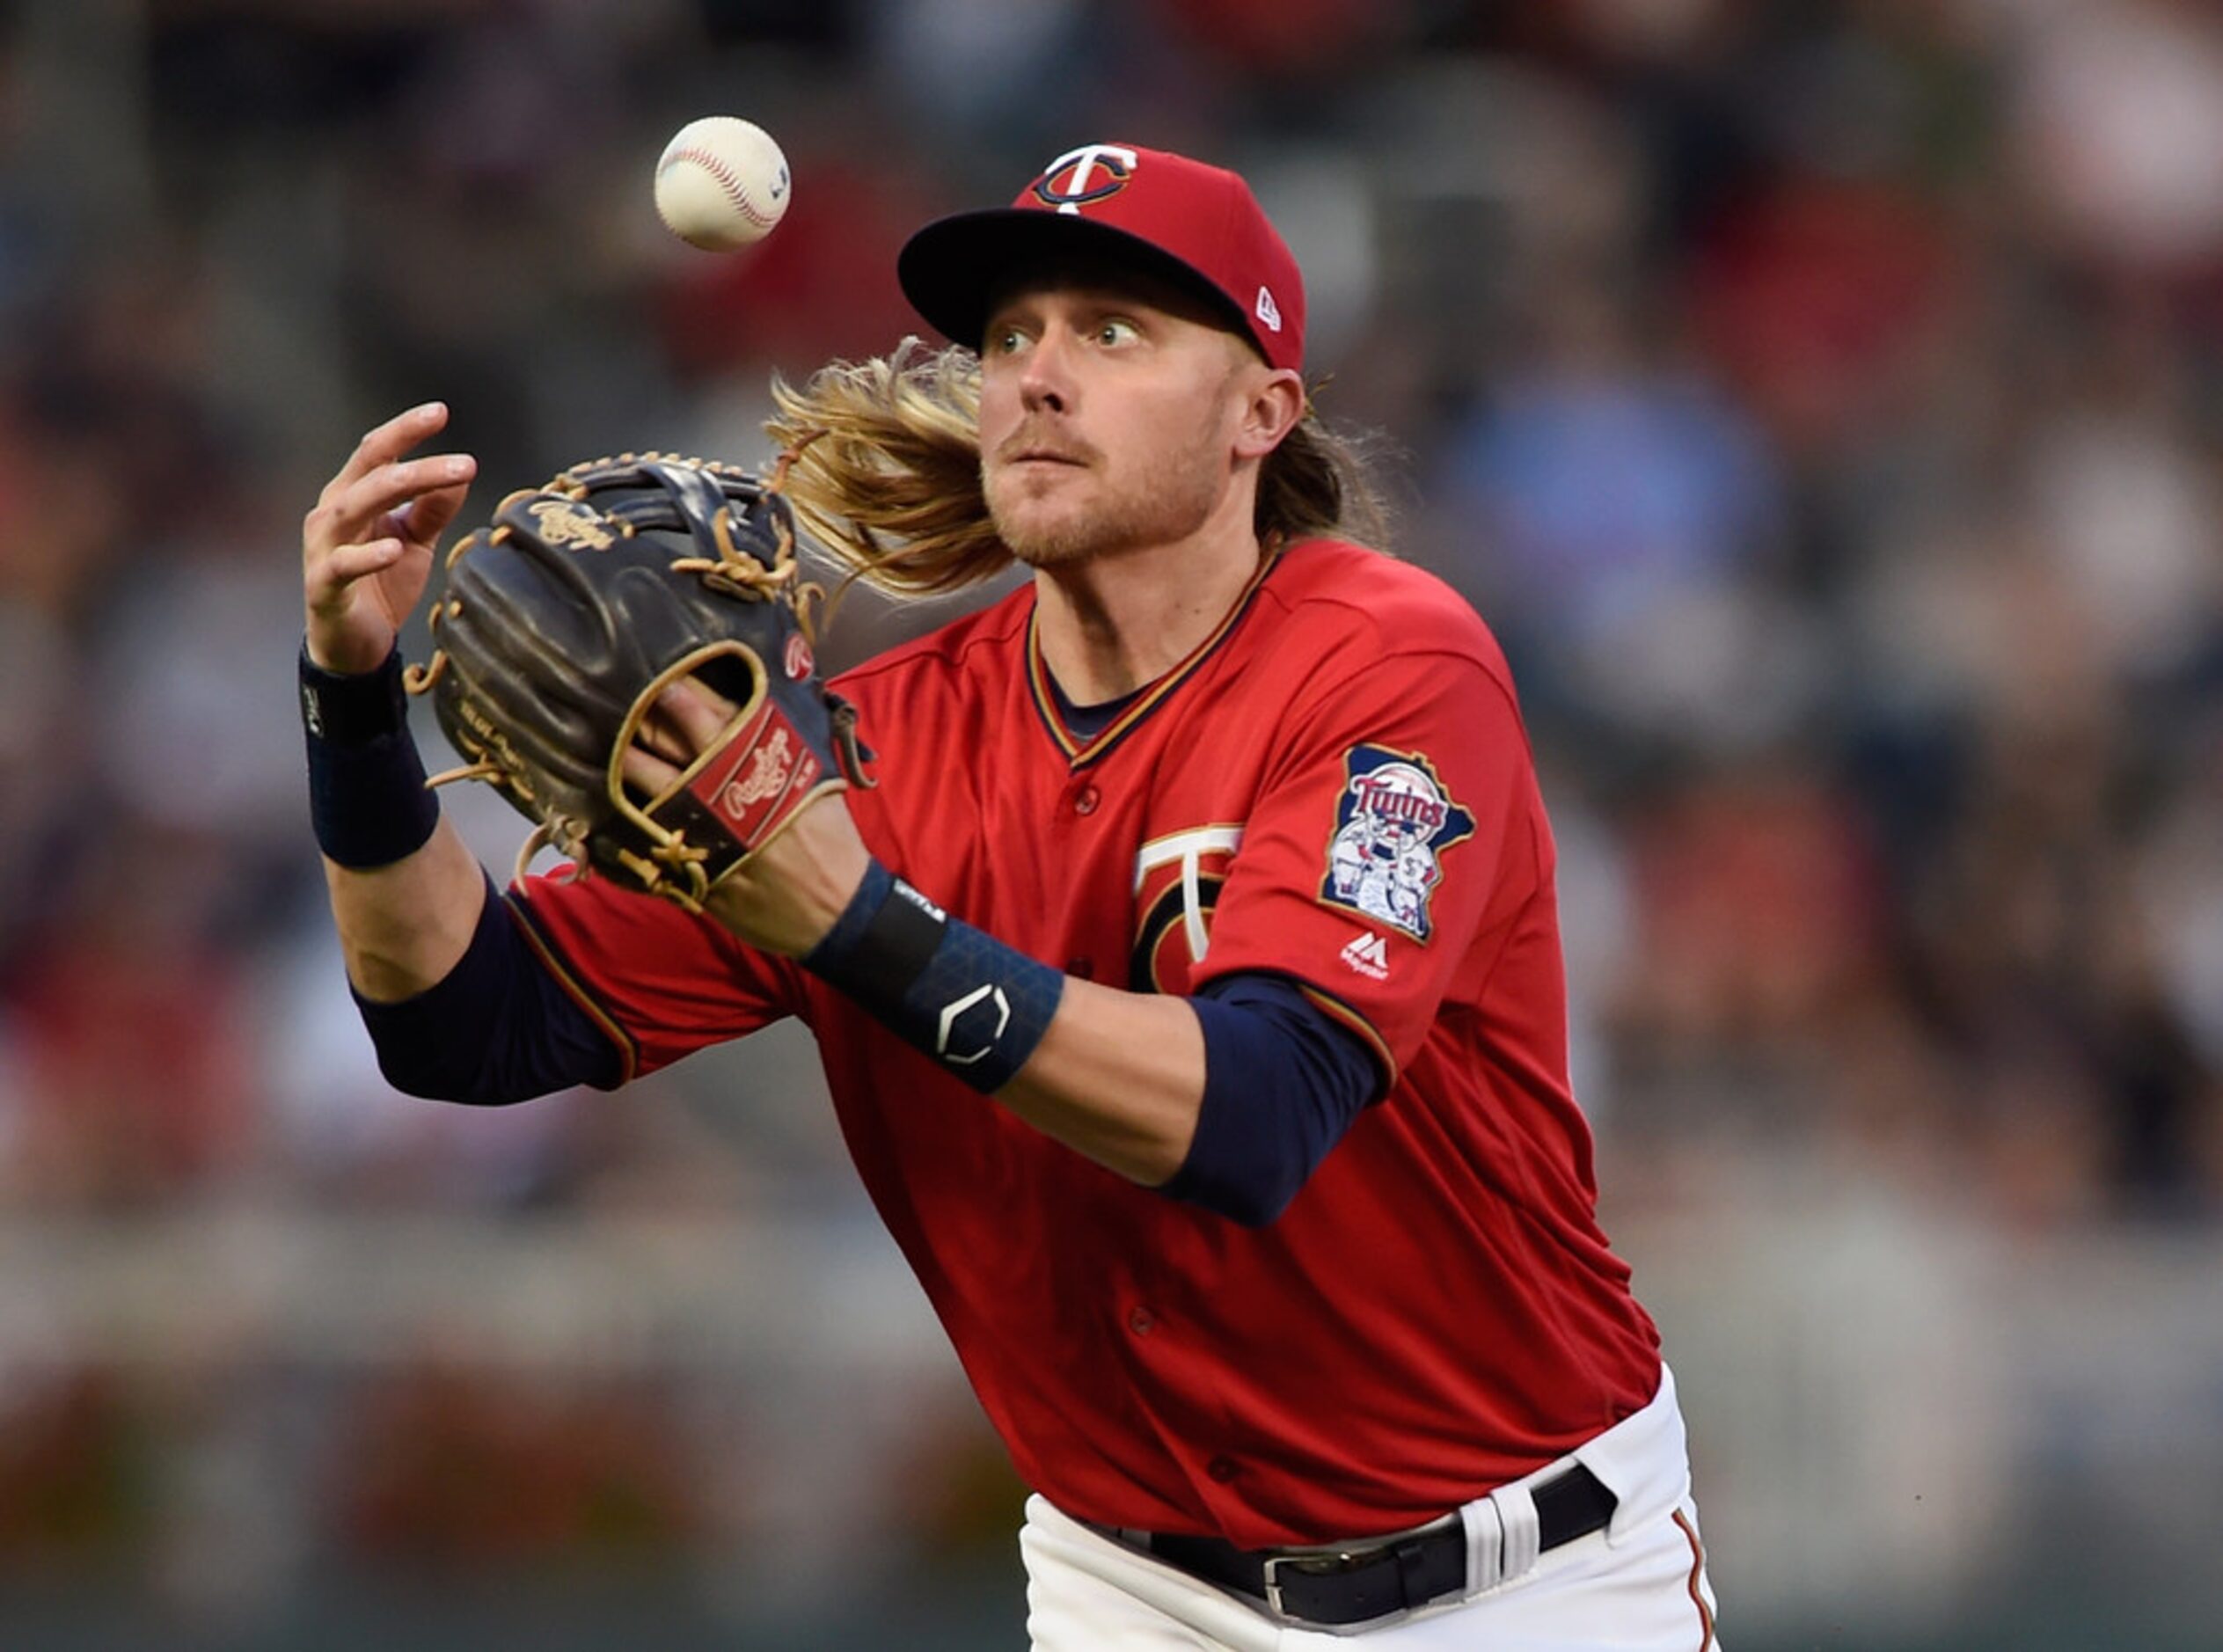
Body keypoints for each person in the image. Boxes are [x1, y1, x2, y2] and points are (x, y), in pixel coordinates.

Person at [298, 142, 1722, 1648]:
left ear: (1262, 413)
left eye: (1113, 331)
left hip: (1520, 1578)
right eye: (1012, 335)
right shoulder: (877, 746)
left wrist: (852, 918)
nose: (1040, 374)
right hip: (1136, 1588)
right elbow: (464, 1024)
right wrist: (357, 700)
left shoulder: (1386, 667)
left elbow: (1255, 1113)